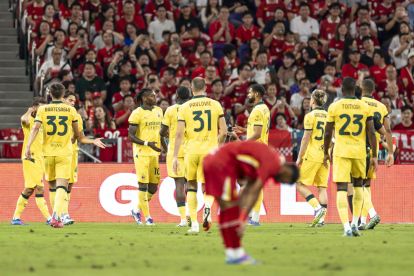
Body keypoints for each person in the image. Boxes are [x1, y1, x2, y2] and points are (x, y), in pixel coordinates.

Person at [203, 140, 299, 264]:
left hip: (212, 160)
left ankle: (232, 253)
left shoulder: (267, 160)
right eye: (285, 180)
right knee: (230, 208)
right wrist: (242, 219)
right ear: (287, 171)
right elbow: (255, 190)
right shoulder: (274, 163)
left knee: (228, 208)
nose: (281, 181)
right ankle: (236, 253)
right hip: (222, 164)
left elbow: (248, 187)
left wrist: (241, 214)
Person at [323, 77, 377, 237]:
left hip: (341, 151)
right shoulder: (364, 106)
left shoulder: (334, 107)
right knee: (359, 186)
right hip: (359, 152)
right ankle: (355, 223)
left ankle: (346, 227)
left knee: (341, 188)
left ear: (341, 88)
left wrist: (326, 152)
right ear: (356, 88)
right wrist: (374, 154)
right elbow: (371, 132)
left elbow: (327, 132)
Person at [173, 77, 227, 233]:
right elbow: (223, 132)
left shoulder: (184, 107)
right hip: (209, 152)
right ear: (205, 87)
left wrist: (175, 156)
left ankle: (195, 225)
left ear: (191, 87)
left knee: (191, 185)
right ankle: (208, 207)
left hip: (191, 151)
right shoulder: (216, 105)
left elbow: (179, 134)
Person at [24, 83, 80, 228]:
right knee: (63, 185)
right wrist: (74, 137)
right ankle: (57, 215)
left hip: (47, 153)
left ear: (50, 94)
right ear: (63, 95)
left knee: (52, 186)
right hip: (65, 153)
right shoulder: (70, 109)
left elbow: (35, 128)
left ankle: (56, 216)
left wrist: (28, 146)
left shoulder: (43, 109)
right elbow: (77, 132)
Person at [62, 92, 107, 225]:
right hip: (59, 153)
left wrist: (92, 141)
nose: (72, 103)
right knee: (60, 184)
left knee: (69, 184)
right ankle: (60, 214)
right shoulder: (55, 114)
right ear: (63, 99)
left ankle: (63, 213)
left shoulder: (76, 116)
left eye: (73, 101)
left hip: (73, 153)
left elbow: (80, 137)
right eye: (69, 100)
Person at [359, 79, 394, 230]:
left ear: (361, 88)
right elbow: (387, 131)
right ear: (373, 90)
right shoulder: (381, 106)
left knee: (356, 185)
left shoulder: (358, 103)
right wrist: (391, 152)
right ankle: (361, 220)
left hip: (358, 147)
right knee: (366, 185)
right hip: (375, 150)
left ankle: (372, 214)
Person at [11, 98, 51, 225]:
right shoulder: (30, 121)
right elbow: (23, 119)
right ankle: (49, 219)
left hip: (41, 159)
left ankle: (16, 218)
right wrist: (29, 111)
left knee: (29, 189)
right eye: (40, 108)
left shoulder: (43, 123)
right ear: (34, 108)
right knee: (39, 187)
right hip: (30, 157)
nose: (43, 110)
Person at [234, 84, 270, 226]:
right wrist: (244, 130)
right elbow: (256, 129)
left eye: (250, 92)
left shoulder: (256, 110)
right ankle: (253, 217)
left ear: (256, 94)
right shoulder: (265, 108)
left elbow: (257, 133)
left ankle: (252, 217)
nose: (248, 94)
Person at [129, 88, 163, 225]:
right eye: (151, 95)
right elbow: (131, 135)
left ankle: (136, 209)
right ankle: (148, 218)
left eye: (155, 95)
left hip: (155, 153)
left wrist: (165, 148)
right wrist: (147, 143)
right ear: (144, 98)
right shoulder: (137, 113)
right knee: (142, 185)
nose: (154, 97)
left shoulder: (159, 111)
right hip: (141, 153)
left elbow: (161, 133)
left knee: (154, 187)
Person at [296, 90, 329, 227]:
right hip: (325, 155)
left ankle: (317, 208)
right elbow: (332, 138)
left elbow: (305, 138)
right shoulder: (329, 116)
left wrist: (299, 157)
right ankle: (321, 219)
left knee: (298, 184)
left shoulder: (310, 116)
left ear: (313, 101)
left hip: (313, 154)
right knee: (322, 187)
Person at [160, 86, 192, 227]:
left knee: (179, 185)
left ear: (177, 95)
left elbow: (162, 131)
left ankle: (184, 219)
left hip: (175, 151)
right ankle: (192, 215)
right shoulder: (192, 108)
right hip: (191, 149)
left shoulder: (171, 110)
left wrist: (166, 135)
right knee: (191, 184)